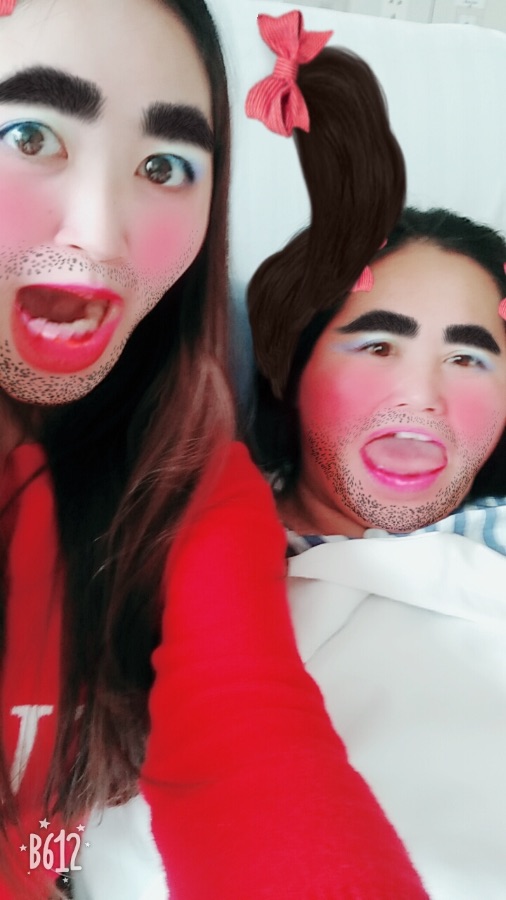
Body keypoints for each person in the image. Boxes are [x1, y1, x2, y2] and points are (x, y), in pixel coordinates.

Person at [0, 1, 430, 898]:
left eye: (165, 166)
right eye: (30, 136)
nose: (99, 233)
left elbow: (250, 745)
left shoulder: (195, 481)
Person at [247, 14, 506, 900]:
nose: (422, 396)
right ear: (291, 368)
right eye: (378, 345)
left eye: (469, 358)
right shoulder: (179, 540)